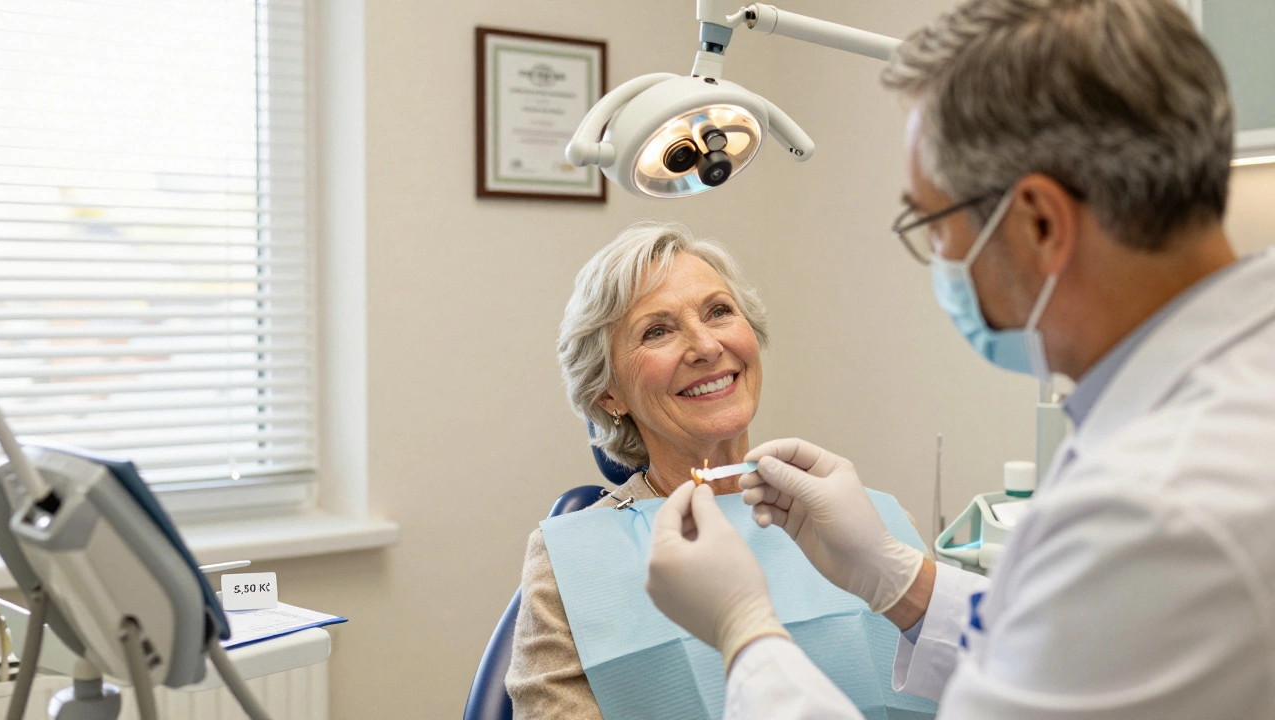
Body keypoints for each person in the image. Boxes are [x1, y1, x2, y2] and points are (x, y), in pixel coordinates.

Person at [646, 0, 1275, 718]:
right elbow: (1069, 653)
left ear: (1040, 222)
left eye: (935, 223)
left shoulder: (1155, 509)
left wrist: (745, 634)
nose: (939, 257)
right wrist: (898, 581)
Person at [503, 220, 771, 717]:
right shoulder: (573, 561)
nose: (707, 347)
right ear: (609, 395)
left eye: (718, 311)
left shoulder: (844, 514)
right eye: (657, 331)